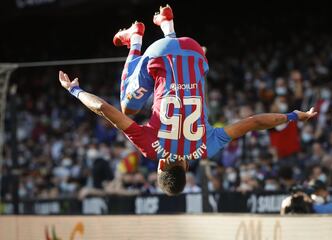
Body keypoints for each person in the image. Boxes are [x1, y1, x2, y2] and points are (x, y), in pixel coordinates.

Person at [58, 5, 317, 196]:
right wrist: (74, 90)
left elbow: (255, 121)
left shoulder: (207, 148)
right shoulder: (150, 148)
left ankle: (168, 26)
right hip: (158, 54)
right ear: (161, 166)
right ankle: (135, 39)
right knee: (127, 107)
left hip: (196, 52)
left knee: (179, 69)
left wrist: (295, 116)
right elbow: (104, 108)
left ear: (186, 167)